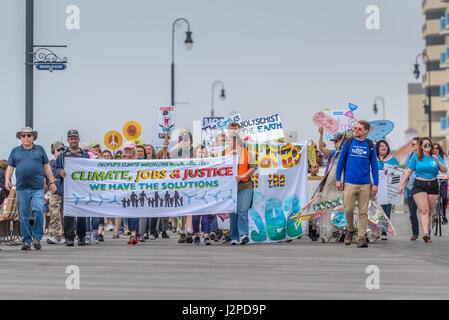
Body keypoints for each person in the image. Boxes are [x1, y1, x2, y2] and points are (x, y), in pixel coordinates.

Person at [5, 127, 57, 250]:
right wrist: (7, 179)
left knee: (39, 210)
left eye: (29, 135)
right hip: (21, 187)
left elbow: (47, 167)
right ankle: (26, 240)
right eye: (24, 136)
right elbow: (10, 167)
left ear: (33, 137)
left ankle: (37, 237)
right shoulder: (15, 151)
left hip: (37, 187)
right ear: (20, 138)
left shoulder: (40, 150)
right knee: (23, 215)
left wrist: (52, 182)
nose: (26, 138)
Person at [336, 121, 378, 248]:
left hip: (365, 183)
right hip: (349, 182)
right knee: (348, 209)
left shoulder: (370, 145)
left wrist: (375, 183)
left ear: (366, 131)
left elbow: (374, 166)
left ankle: (361, 238)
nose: (356, 130)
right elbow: (340, 162)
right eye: (355, 128)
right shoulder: (348, 143)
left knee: (363, 212)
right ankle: (350, 229)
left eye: (359, 128)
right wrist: (338, 179)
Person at [399, 137, 447, 243]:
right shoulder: (416, 157)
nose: (428, 147)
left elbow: (444, 170)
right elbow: (408, 171)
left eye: (429, 145)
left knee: (430, 211)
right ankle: (425, 233)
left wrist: (437, 161)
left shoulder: (436, 156)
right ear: (421, 146)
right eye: (425, 145)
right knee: (424, 210)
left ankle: (427, 233)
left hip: (433, 185)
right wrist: (401, 185)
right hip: (419, 184)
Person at [53, 130, 91, 246]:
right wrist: (60, 171)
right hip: (67, 188)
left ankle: (81, 236)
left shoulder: (85, 155)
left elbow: (91, 170)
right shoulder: (62, 155)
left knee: (81, 214)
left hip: (81, 188)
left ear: (78, 139)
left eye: (75, 138)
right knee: (68, 214)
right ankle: (69, 237)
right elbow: (54, 169)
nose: (73, 140)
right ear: (68, 140)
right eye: (71, 138)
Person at [225, 131, 257, 245]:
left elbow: (253, 167)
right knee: (232, 212)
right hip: (231, 187)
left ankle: (243, 234)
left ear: (235, 141)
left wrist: (243, 176)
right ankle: (234, 236)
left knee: (242, 210)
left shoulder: (246, 152)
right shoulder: (226, 153)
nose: (227, 143)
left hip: (245, 185)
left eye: (228, 140)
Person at [171, 131, 195, 243]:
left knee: (190, 206)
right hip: (179, 183)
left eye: (187, 139)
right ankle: (182, 231)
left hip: (193, 183)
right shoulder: (175, 152)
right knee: (181, 209)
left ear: (191, 141)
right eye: (182, 139)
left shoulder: (195, 151)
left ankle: (189, 229)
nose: (185, 141)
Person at [375, 139, 399, 240]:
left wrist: (395, 168)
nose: (383, 147)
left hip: (388, 188)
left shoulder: (392, 159)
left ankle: (384, 231)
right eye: (381, 146)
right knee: (376, 209)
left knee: (386, 210)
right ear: (377, 148)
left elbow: (397, 174)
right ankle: (375, 230)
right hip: (376, 187)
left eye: (385, 145)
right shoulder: (373, 158)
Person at [191, 145, 212, 245]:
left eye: (203, 152)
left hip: (206, 193)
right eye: (199, 152)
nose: (201, 154)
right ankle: (196, 235)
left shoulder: (210, 164)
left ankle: (206, 236)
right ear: (195, 154)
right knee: (195, 218)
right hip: (195, 193)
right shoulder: (191, 164)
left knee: (206, 217)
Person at [47, 141, 66, 244]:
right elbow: (45, 179)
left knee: (64, 214)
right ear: (53, 151)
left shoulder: (66, 163)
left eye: (63, 149)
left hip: (65, 192)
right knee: (54, 213)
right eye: (58, 150)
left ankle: (63, 234)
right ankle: (56, 235)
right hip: (54, 192)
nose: (61, 151)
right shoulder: (49, 164)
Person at [122, 141, 140, 245]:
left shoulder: (140, 161)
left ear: (134, 150)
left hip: (138, 190)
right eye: (126, 149)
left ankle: (134, 234)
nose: (128, 150)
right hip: (125, 190)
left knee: (134, 212)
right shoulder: (121, 162)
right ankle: (130, 231)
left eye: (130, 148)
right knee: (127, 212)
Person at [404, 137, 420, 240]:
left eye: (414, 144)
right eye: (412, 144)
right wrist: (404, 184)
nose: (412, 146)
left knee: (425, 211)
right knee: (412, 213)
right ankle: (415, 232)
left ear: (419, 145)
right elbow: (406, 169)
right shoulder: (410, 155)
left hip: (423, 186)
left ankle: (427, 232)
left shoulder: (426, 157)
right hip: (411, 187)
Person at [432, 143, 448, 224]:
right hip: (433, 179)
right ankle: (434, 213)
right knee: (434, 198)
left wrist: (447, 175)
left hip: (443, 179)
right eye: (434, 148)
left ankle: (444, 215)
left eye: (437, 148)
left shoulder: (443, 157)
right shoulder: (430, 157)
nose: (436, 150)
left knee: (445, 198)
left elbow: (447, 167)